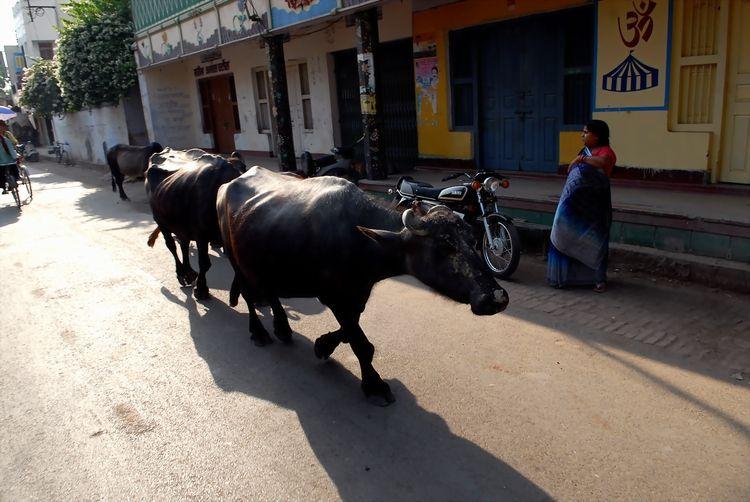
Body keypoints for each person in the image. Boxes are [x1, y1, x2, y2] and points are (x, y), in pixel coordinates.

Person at [547, 119, 616, 293]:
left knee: (596, 241)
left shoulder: (606, 152)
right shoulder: (584, 152)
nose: (582, 135)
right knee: (567, 234)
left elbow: (602, 163)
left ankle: (599, 280)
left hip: (595, 206)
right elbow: (572, 171)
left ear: (597, 135)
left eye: (586, 132)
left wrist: (582, 159)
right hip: (575, 205)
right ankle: (570, 278)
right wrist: (578, 160)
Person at [0, 120, 20, 194]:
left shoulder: (7, 134)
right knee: (2, 172)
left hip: (9, 155)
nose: (1, 128)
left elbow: (15, 142)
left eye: (2, 126)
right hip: (3, 157)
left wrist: (14, 144)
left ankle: (15, 180)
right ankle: (4, 187)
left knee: (13, 167)